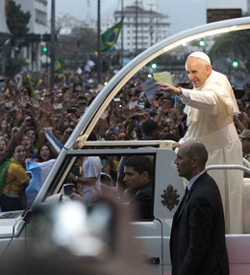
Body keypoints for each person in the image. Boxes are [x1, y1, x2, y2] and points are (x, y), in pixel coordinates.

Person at [156, 51, 243, 234]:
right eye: (188, 72)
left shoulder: (218, 81)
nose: (191, 77)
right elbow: (198, 126)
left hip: (221, 153)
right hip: (207, 154)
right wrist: (182, 142)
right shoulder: (200, 86)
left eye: (194, 72)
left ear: (208, 69)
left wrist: (180, 92)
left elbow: (211, 103)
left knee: (221, 203)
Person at [171, 140, 229, 275]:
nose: (175, 162)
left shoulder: (201, 196)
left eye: (180, 158)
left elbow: (197, 248)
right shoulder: (203, 184)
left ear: (194, 162)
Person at [0, 143, 30, 211]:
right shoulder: (16, 167)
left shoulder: (7, 163)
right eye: (18, 151)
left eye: (23, 151)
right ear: (13, 154)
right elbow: (29, 183)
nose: (21, 153)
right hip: (11, 199)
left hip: (3, 197)